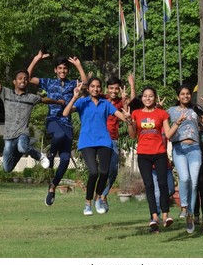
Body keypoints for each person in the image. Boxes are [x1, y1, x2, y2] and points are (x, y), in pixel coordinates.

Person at [27, 50, 88, 207]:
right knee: (59, 135)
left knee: (66, 160)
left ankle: (52, 187)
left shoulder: (72, 83)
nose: (62, 71)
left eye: (65, 68)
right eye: (60, 68)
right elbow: (26, 78)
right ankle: (51, 154)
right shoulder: (48, 82)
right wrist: (36, 59)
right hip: (53, 121)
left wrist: (79, 66)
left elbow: (86, 84)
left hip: (67, 123)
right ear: (55, 70)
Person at [62, 78, 131, 216]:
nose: (95, 89)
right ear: (88, 89)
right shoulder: (83, 102)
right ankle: (88, 203)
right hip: (87, 142)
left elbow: (122, 117)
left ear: (101, 89)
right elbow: (65, 113)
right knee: (94, 172)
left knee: (104, 172)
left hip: (104, 141)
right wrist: (74, 97)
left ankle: (99, 198)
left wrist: (127, 114)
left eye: (98, 86)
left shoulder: (105, 104)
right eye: (92, 86)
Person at [0, 51, 63, 173]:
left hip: (23, 133)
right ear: (14, 82)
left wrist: (58, 102)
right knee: (7, 168)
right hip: (8, 136)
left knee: (23, 147)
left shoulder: (31, 97)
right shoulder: (6, 93)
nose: (23, 81)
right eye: (20, 79)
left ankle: (40, 156)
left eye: (25, 79)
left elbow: (44, 100)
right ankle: (20, 152)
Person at [127, 87, 182, 233]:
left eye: (151, 96)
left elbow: (168, 133)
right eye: (145, 96)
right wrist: (128, 122)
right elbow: (132, 136)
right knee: (149, 185)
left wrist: (177, 123)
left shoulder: (162, 113)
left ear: (155, 98)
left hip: (159, 153)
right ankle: (154, 217)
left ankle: (166, 215)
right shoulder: (136, 113)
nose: (148, 98)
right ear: (142, 98)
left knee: (163, 184)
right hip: (143, 154)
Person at [167, 85, 203, 234]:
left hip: (194, 149)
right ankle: (184, 206)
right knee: (185, 178)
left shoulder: (195, 110)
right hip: (179, 149)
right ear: (178, 96)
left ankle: (190, 215)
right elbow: (162, 123)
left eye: (188, 94)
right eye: (182, 94)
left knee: (194, 184)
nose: (185, 96)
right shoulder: (171, 111)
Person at [100, 73, 136, 212]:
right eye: (111, 88)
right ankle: (97, 196)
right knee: (101, 170)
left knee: (113, 171)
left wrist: (132, 85)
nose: (114, 91)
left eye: (116, 88)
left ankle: (103, 195)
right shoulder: (102, 99)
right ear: (107, 89)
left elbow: (131, 104)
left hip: (113, 140)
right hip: (99, 140)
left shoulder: (120, 102)